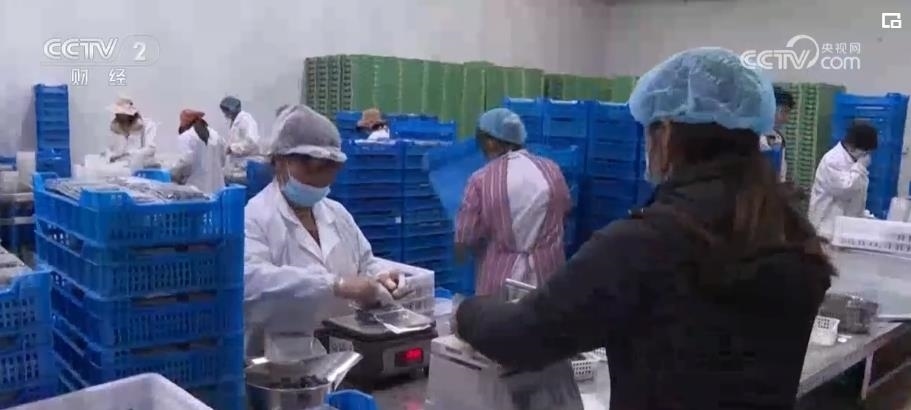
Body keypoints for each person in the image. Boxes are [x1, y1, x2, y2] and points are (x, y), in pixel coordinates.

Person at [453, 48, 834, 409]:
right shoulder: (791, 231)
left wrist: (466, 311)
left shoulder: (645, 243)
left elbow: (523, 335)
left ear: (665, 133)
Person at [244, 104, 409, 361]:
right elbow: (252, 283)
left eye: (328, 167)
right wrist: (335, 285)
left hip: (345, 350)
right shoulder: (255, 217)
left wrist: (382, 278)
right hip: (279, 359)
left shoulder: (337, 214)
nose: (319, 177)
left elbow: (365, 262)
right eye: (311, 166)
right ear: (279, 162)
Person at [454, 108, 572, 296]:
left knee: (500, 316)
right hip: (548, 279)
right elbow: (565, 209)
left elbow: (466, 237)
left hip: (501, 282)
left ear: (491, 142)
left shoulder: (481, 180)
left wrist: (461, 258)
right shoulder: (552, 170)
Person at [808, 122, 879, 239]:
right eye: (865, 152)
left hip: (845, 227)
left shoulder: (854, 161)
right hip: (827, 227)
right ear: (851, 147)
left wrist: (864, 218)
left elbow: (857, 196)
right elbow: (845, 190)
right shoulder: (833, 160)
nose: (867, 157)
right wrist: (860, 167)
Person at [170, 110, 226, 194]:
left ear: (185, 122)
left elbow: (185, 162)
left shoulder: (187, 137)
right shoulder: (216, 135)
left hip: (196, 191)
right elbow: (223, 160)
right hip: (218, 191)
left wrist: (173, 175)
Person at [104, 97, 158, 171]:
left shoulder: (148, 125)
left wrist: (131, 153)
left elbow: (151, 148)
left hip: (143, 166)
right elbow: (110, 148)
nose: (119, 116)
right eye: (117, 112)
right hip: (121, 167)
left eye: (122, 113)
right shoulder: (115, 127)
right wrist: (110, 155)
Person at [220, 96, 262, 178]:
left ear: (231, 109)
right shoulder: (235, 122)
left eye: (226, 111)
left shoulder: (246, 120)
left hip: (246, 166)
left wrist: (232, 148)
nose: (225, 114)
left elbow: (253, 142)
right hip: (237, 166)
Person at [760, 87, 794, 182]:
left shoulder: (779, 139)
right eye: (784, 112)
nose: (787, 119)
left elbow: (781, 175)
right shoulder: (750, 139)